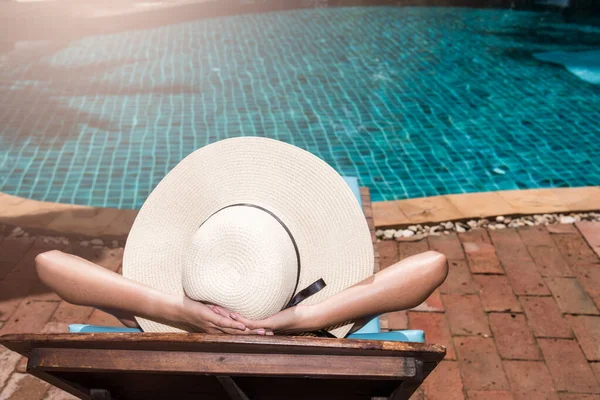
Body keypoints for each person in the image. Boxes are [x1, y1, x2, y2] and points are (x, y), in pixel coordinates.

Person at [35, 137, 448, 338]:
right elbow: (432, 266)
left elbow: (49, 263)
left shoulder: (168, 328)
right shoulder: (318, 335)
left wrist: (178, 311)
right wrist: (299, 319)